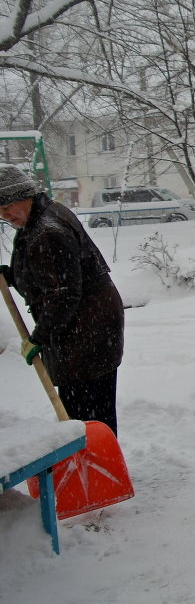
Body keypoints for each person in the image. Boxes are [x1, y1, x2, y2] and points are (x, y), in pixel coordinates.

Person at [0, 166, 124, 436]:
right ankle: (95, 464)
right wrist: (11, 275)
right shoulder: (40, 218)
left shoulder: (47, 231)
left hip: (85, 334)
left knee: (87, 413)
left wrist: (38, 338)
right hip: (86, 328)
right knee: (90, 409)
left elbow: (63, 294)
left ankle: (95, 467)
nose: (4, 215)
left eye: (7, 206)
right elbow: (46, 273)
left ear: (26, 196)